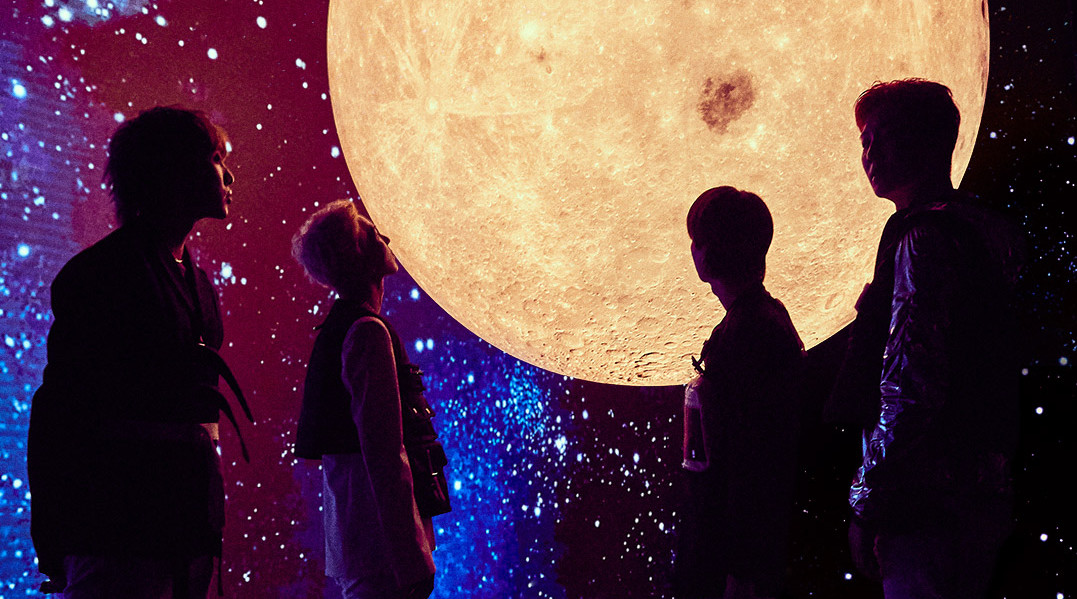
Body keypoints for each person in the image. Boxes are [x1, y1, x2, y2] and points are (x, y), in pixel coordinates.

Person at [27, 106, 251, 598]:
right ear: (174, 170)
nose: (230, 175)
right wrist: (55, 543)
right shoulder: (101, 275)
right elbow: (58, 415)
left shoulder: (197, 282)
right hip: (119, 535)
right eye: (216, 158)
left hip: (187, 534)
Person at [839, 79, 1024, 598]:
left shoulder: (923, 237)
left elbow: (911, 384)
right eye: (864, 141)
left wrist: (868, 500)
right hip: (983, 488)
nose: (870, 153)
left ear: (925, 141)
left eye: (882, 137)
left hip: (925, 502)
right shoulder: (985, 228)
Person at [292, 200, 442, 599]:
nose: (386, 237)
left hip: (363, 538)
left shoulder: (343, 328)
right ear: (355, 254)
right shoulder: (366, 332)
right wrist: (411, 556)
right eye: (372, 233)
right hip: (380, 547)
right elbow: (385, 454)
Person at [673, 187, 804, 599]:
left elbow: (753, 459)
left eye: (697, 240)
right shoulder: (762, 318)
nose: (693, 250)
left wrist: (742, 568)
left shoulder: (748, 331)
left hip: (741, 558)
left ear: (710, 254)